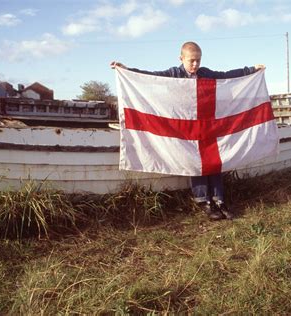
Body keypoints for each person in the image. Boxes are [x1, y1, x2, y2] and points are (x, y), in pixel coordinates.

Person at [111, 41, 265, 220]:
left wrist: (251, 70)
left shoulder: (205, 73)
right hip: (184, 129)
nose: (195, 65)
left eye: (198, 61)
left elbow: (227, 76)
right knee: (195, 163)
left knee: (214, 162)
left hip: (207, 126)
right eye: (192, 61)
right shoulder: (173, 74)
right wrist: (127, 70)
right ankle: (204, 202)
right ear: (181, 58)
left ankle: (219, 200)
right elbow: (150, 77)